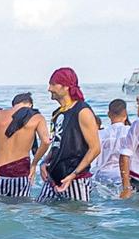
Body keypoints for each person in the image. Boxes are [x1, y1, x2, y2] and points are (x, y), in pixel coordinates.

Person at [38, 67, 100, 202]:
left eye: (53, 84)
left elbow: (95, 148)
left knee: (77, 220)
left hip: (75, 180)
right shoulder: (56, 114)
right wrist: (44, 162)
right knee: (41, 215)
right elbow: (57, 144)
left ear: (66, 87)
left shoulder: (82, 111)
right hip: (53, 179)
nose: (49, 88)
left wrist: (74, 174)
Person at [0, 92, 49, 199]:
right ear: (30, 105)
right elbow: (46, 141)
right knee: (19, 207)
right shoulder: (37, 118)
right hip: (21, 172)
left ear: (14, 104)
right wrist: (34, 164)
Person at [93, 99, 133, 193]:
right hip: (123, 177)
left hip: (102, 177)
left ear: (108, 114)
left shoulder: (99, 134)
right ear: (125, 114)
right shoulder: (131, 131)